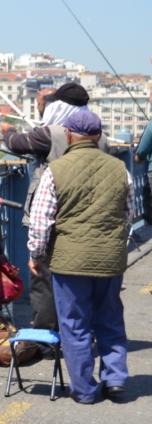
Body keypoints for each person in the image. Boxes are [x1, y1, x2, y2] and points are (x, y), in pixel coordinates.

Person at [27, 110, 133, 404]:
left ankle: (85, 390)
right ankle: (115, 379)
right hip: (110, 259)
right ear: (99, 135)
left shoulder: (55, 170)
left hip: (69, 260)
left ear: (69, 136)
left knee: (74, 324)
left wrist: (36, 255)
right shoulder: (119, 169)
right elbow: (129, 213)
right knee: (110, 317)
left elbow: (41, 221)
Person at [1, 82, 107, 333]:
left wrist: (8, 130)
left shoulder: (51, 133)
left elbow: (16, 143)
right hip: (90, 219)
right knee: (80, 283)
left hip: (55, 219)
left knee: (44, 281)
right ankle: (79, 333)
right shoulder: (101, 138)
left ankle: (47, 339)